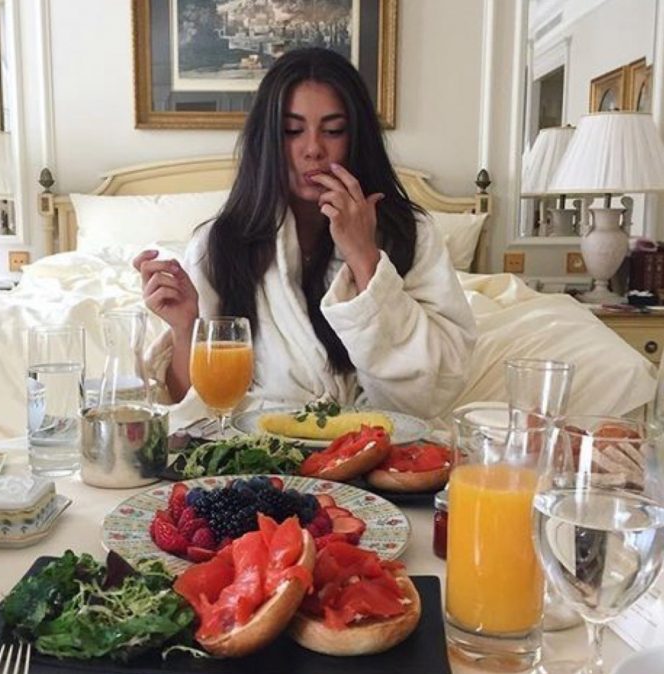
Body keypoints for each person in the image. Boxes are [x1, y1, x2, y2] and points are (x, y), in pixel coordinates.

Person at [134, 47, 475, 419]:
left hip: (386, 455)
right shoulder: (221, 244)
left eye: (333, 130)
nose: (313, 149)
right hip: (262, 461)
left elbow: (435, 390)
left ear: (356, 136)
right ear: (267, 140)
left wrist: (365, 258)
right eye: (292, 131)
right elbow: (198, 410)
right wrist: (185, 328)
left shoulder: (410, 233)